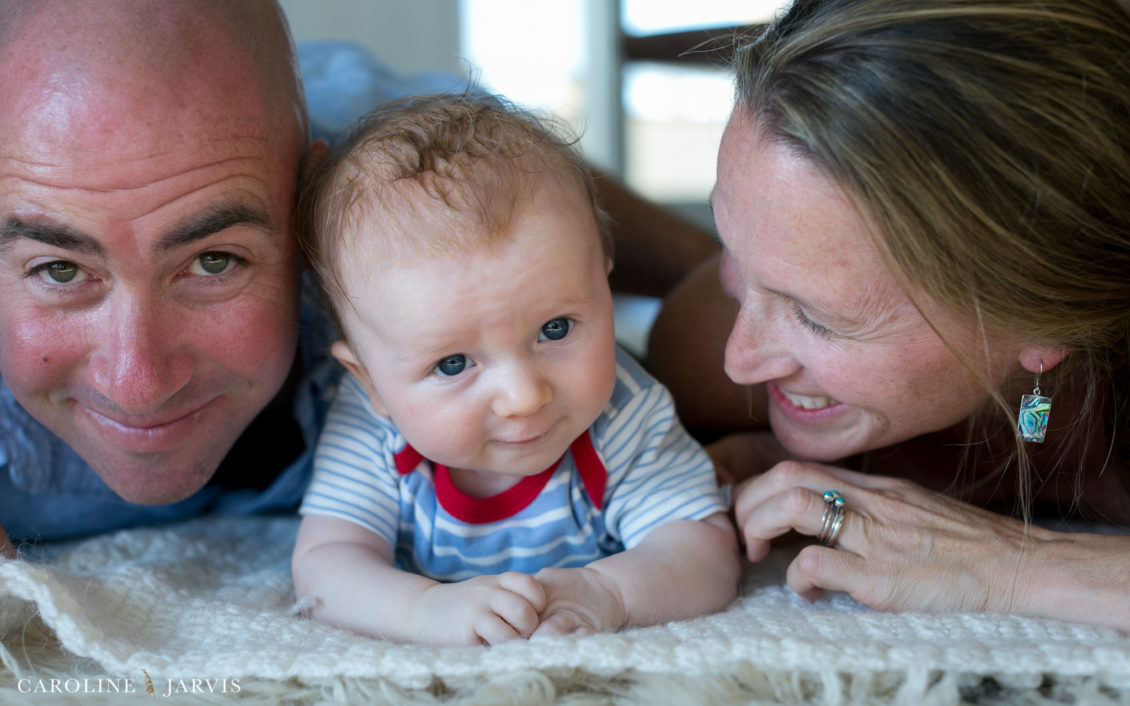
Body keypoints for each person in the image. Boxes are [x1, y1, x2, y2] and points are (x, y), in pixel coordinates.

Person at [0, 0, 718, 556]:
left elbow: (721, 290)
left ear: (305, 211)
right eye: (60, 269)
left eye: (214, 261)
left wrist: (757, 380)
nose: (140, 383)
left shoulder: (377, 199)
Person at [648, 0, 1130, 630]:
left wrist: (1011, 562)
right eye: (732, 248)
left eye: (818, 317)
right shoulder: (706, 346)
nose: (741, 361)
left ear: (1045, 326)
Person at [290, 94, 738, 646]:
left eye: (555, 329)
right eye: (453, 364)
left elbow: (701, 547)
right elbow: (327, 562)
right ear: (369, 382)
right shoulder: (374, 428)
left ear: (605, 281)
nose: (524, 396)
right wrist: (425, 610)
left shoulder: (625, 408)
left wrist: (609, 591)